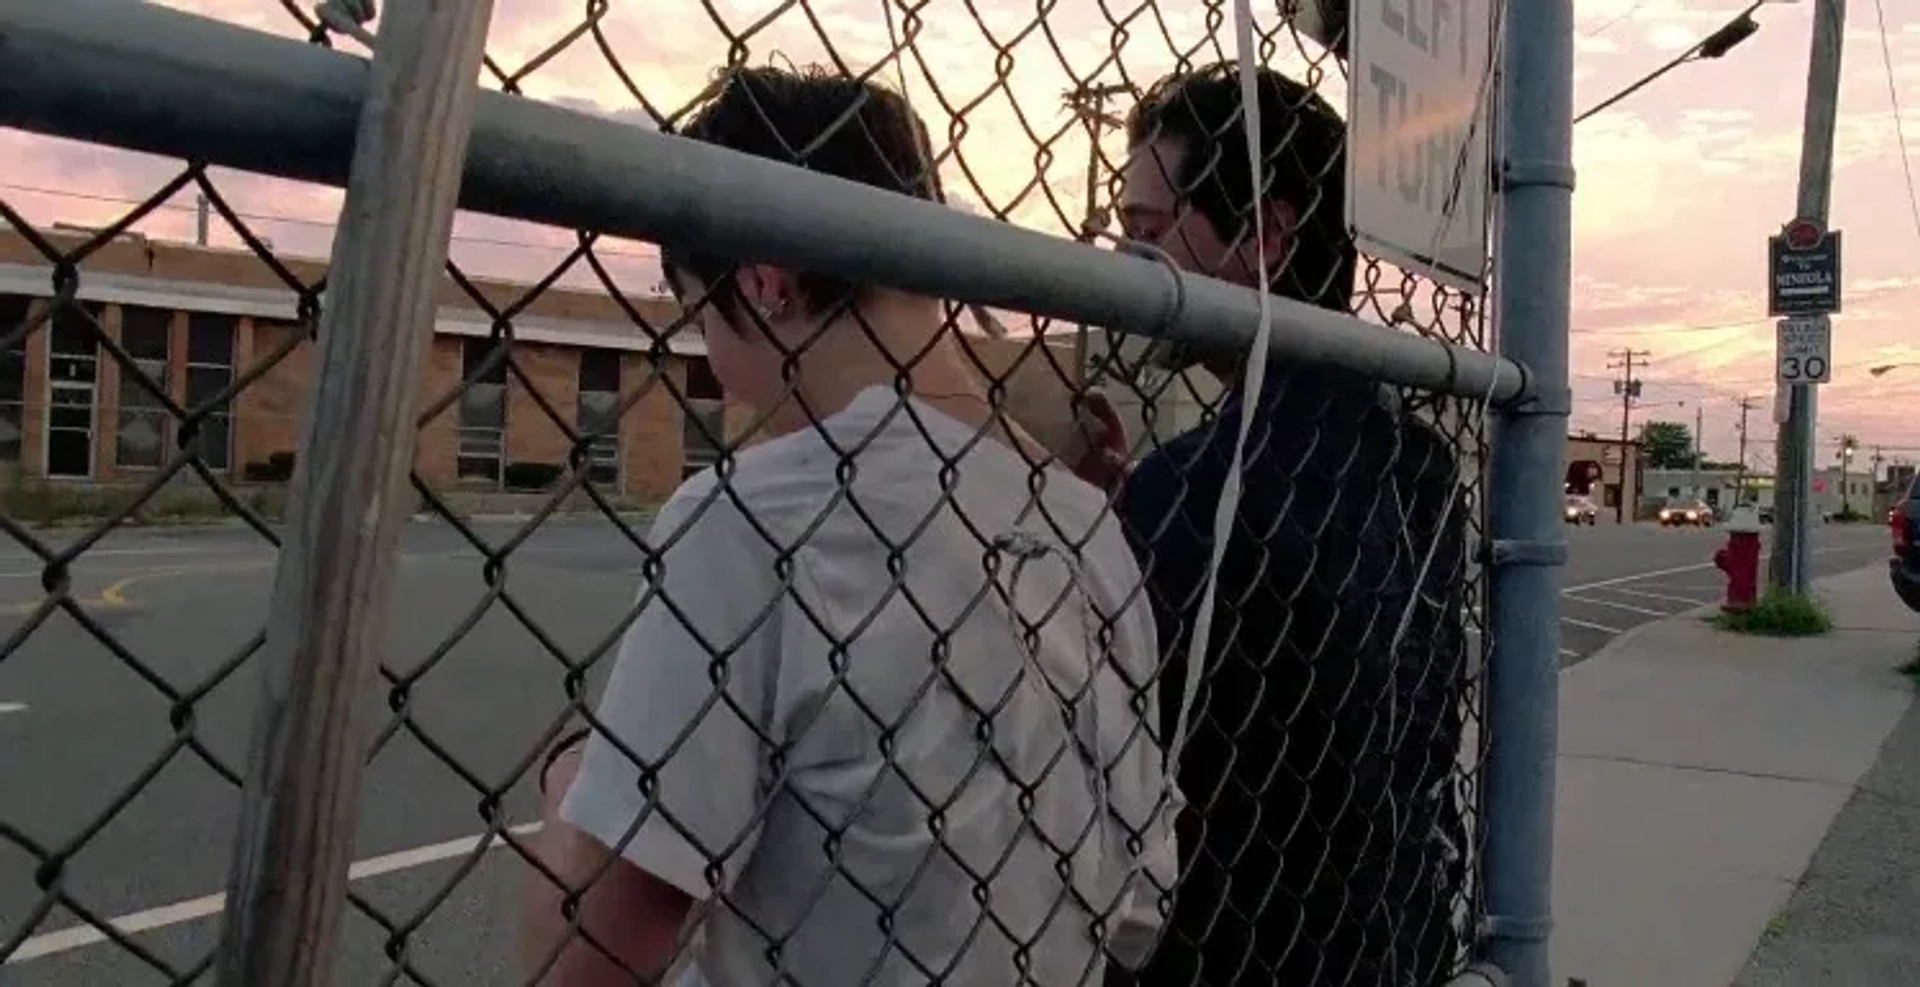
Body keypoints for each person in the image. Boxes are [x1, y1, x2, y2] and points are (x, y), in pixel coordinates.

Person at [518, 65, 1175, 987]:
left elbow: (592, 959)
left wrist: (569, 787)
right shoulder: (1082, 523)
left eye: (697, 305)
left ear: (763, 278)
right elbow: (1137, 904)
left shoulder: (754, 519)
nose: (709, 357)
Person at [1093, 64, 1472, 986]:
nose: (1123, 264)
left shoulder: (1199, 490)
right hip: (1390, 939)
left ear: (1262, 232)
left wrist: (1084, 537)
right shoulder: (1415, 462)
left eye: (1148, 233)